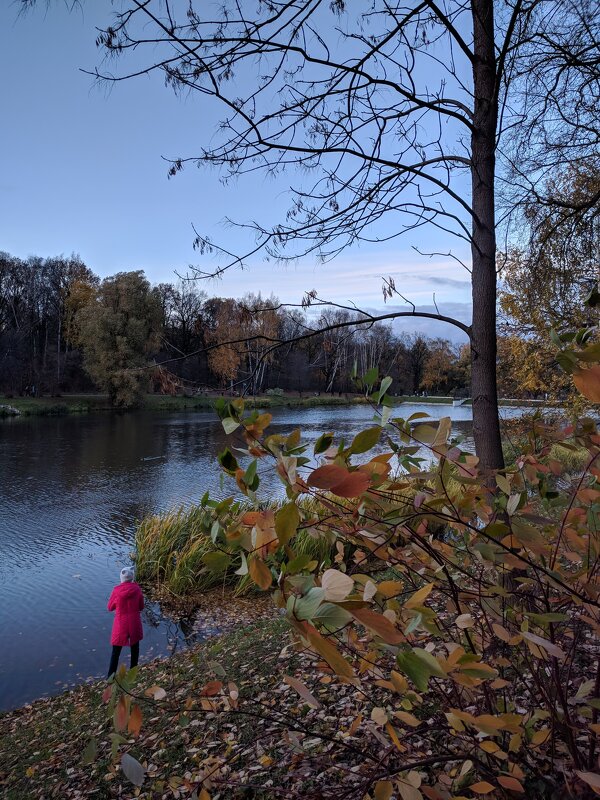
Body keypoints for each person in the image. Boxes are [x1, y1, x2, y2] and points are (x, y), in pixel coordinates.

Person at [107, 567, 144, 678]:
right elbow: (141, 607)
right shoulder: (137, 590)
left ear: (121, 578)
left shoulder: (116, 591)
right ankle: (133, 673)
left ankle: (111, 677)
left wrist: (116, 601)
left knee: (115, 652)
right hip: (134, 623)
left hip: (120, 624)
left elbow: (110, 607)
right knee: (135, 649)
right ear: (132, 577)